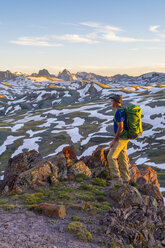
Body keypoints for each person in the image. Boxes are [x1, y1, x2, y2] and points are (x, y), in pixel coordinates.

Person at [107, 94, 130, 185]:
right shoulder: (123, 110)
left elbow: (120, 127)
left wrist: (114, 140)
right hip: (126, 137)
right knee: (122, 157)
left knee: (111, 156)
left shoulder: (118, 112)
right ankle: (126, 179)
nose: (111, 102)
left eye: (112, 100)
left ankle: (116, 178)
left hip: (121, 138)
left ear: (115, 102)